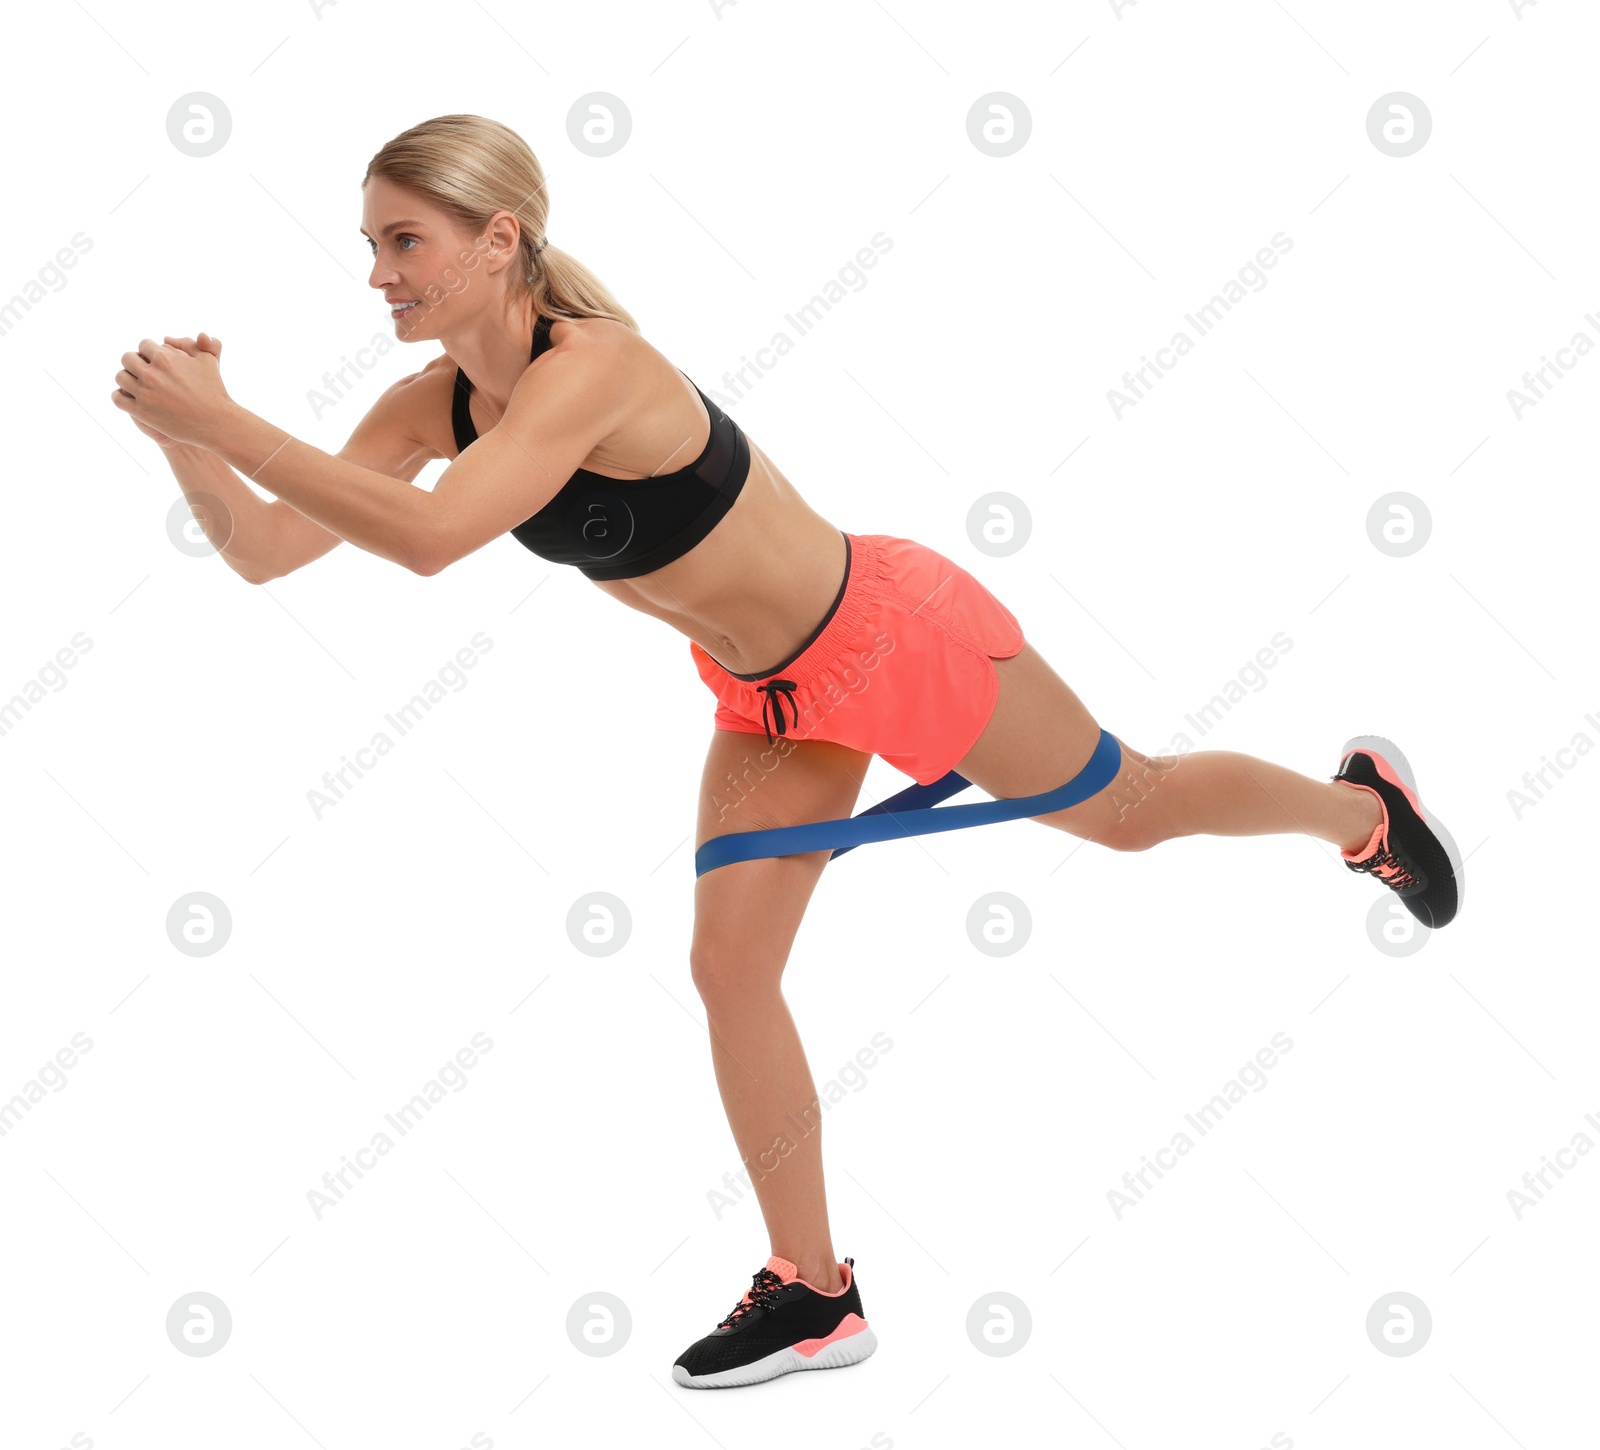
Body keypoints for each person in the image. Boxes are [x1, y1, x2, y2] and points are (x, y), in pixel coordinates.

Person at [111, 113, 1462, 1390]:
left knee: (1130, 810)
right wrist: (189, 444)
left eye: (401, 240)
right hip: (768, 692)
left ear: (500, 239)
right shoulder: (431, 406)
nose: (377, 273)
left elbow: (431, 538)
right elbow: (272, 550)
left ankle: (1359, 810)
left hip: (890, 634)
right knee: (728, 963)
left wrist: (228, 419)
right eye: (369, 245)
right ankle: (816, 1289)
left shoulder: (598, 369)